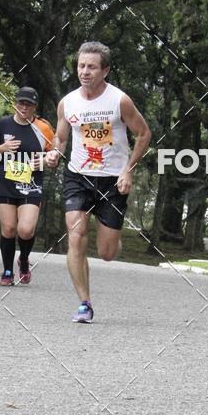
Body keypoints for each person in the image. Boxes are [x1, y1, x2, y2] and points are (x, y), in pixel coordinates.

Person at [50, 41, 151, 322]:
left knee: (107, 252)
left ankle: (112, 238)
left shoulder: (120, 100)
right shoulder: (67, 102)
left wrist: (128, 169)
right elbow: (61, 137)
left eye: (92, 67)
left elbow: (144, 134)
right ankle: (84, 303)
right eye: (81, 66)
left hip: (112, 180)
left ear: (105, 70)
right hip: (78, 176)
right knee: (76, 234)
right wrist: (55, 154)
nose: (84, 71)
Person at [0, 87, 56, 286]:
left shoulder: (43, 128)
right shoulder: (3, 124)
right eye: (21, 103)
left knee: (25, 230)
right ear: (15, 103)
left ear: (35, 106)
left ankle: (23, 259)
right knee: (8, 228)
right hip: (6, 183)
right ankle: (7, 271)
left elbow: (55, 156)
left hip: (31, 184)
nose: (24, 107)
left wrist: (45, 161)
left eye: (29, 104)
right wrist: (1, 148)